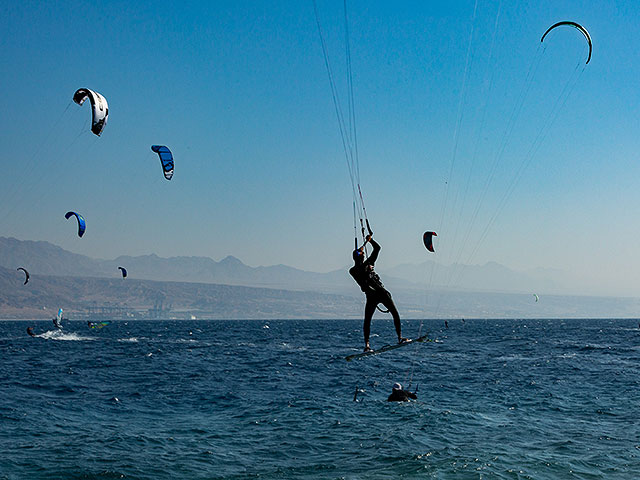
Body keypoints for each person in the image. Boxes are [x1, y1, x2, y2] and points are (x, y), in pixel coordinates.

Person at [349, 234, 406, 352]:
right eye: (361, 254)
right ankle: (397, 338)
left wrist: (365, 247)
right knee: (388, 315)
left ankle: (368, 345)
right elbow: (377, 249)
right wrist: (370, 241)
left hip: (375, 294)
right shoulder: (360, 267)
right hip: (376, 294)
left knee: (374, 318)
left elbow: (374, 251)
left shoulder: (355, 269)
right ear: (359, 257)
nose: (363, 254)